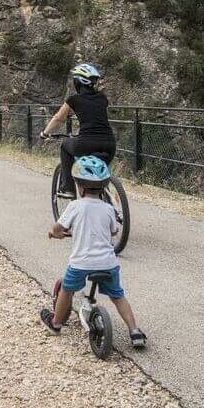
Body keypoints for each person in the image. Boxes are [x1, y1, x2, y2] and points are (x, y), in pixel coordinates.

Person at [39, 156, 146, 348]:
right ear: (104, 186)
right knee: (118, 296)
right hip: (108, 263)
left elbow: (57, 228)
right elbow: (114, 231)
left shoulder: (74, 206)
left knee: (67, 289)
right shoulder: (108, 209)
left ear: (80, 187)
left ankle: (55, 324)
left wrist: (57, 234)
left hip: (81, 263)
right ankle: (135, 331)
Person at [41, 63, 115, 197]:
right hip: (109, 144)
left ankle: (68, 188)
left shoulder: (74, 100)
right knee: (99, 171)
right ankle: (104, 196)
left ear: (78, 83)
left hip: (86, 143)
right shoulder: (102, 98)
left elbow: (58, 118)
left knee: (65, 146)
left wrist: (45, 133)